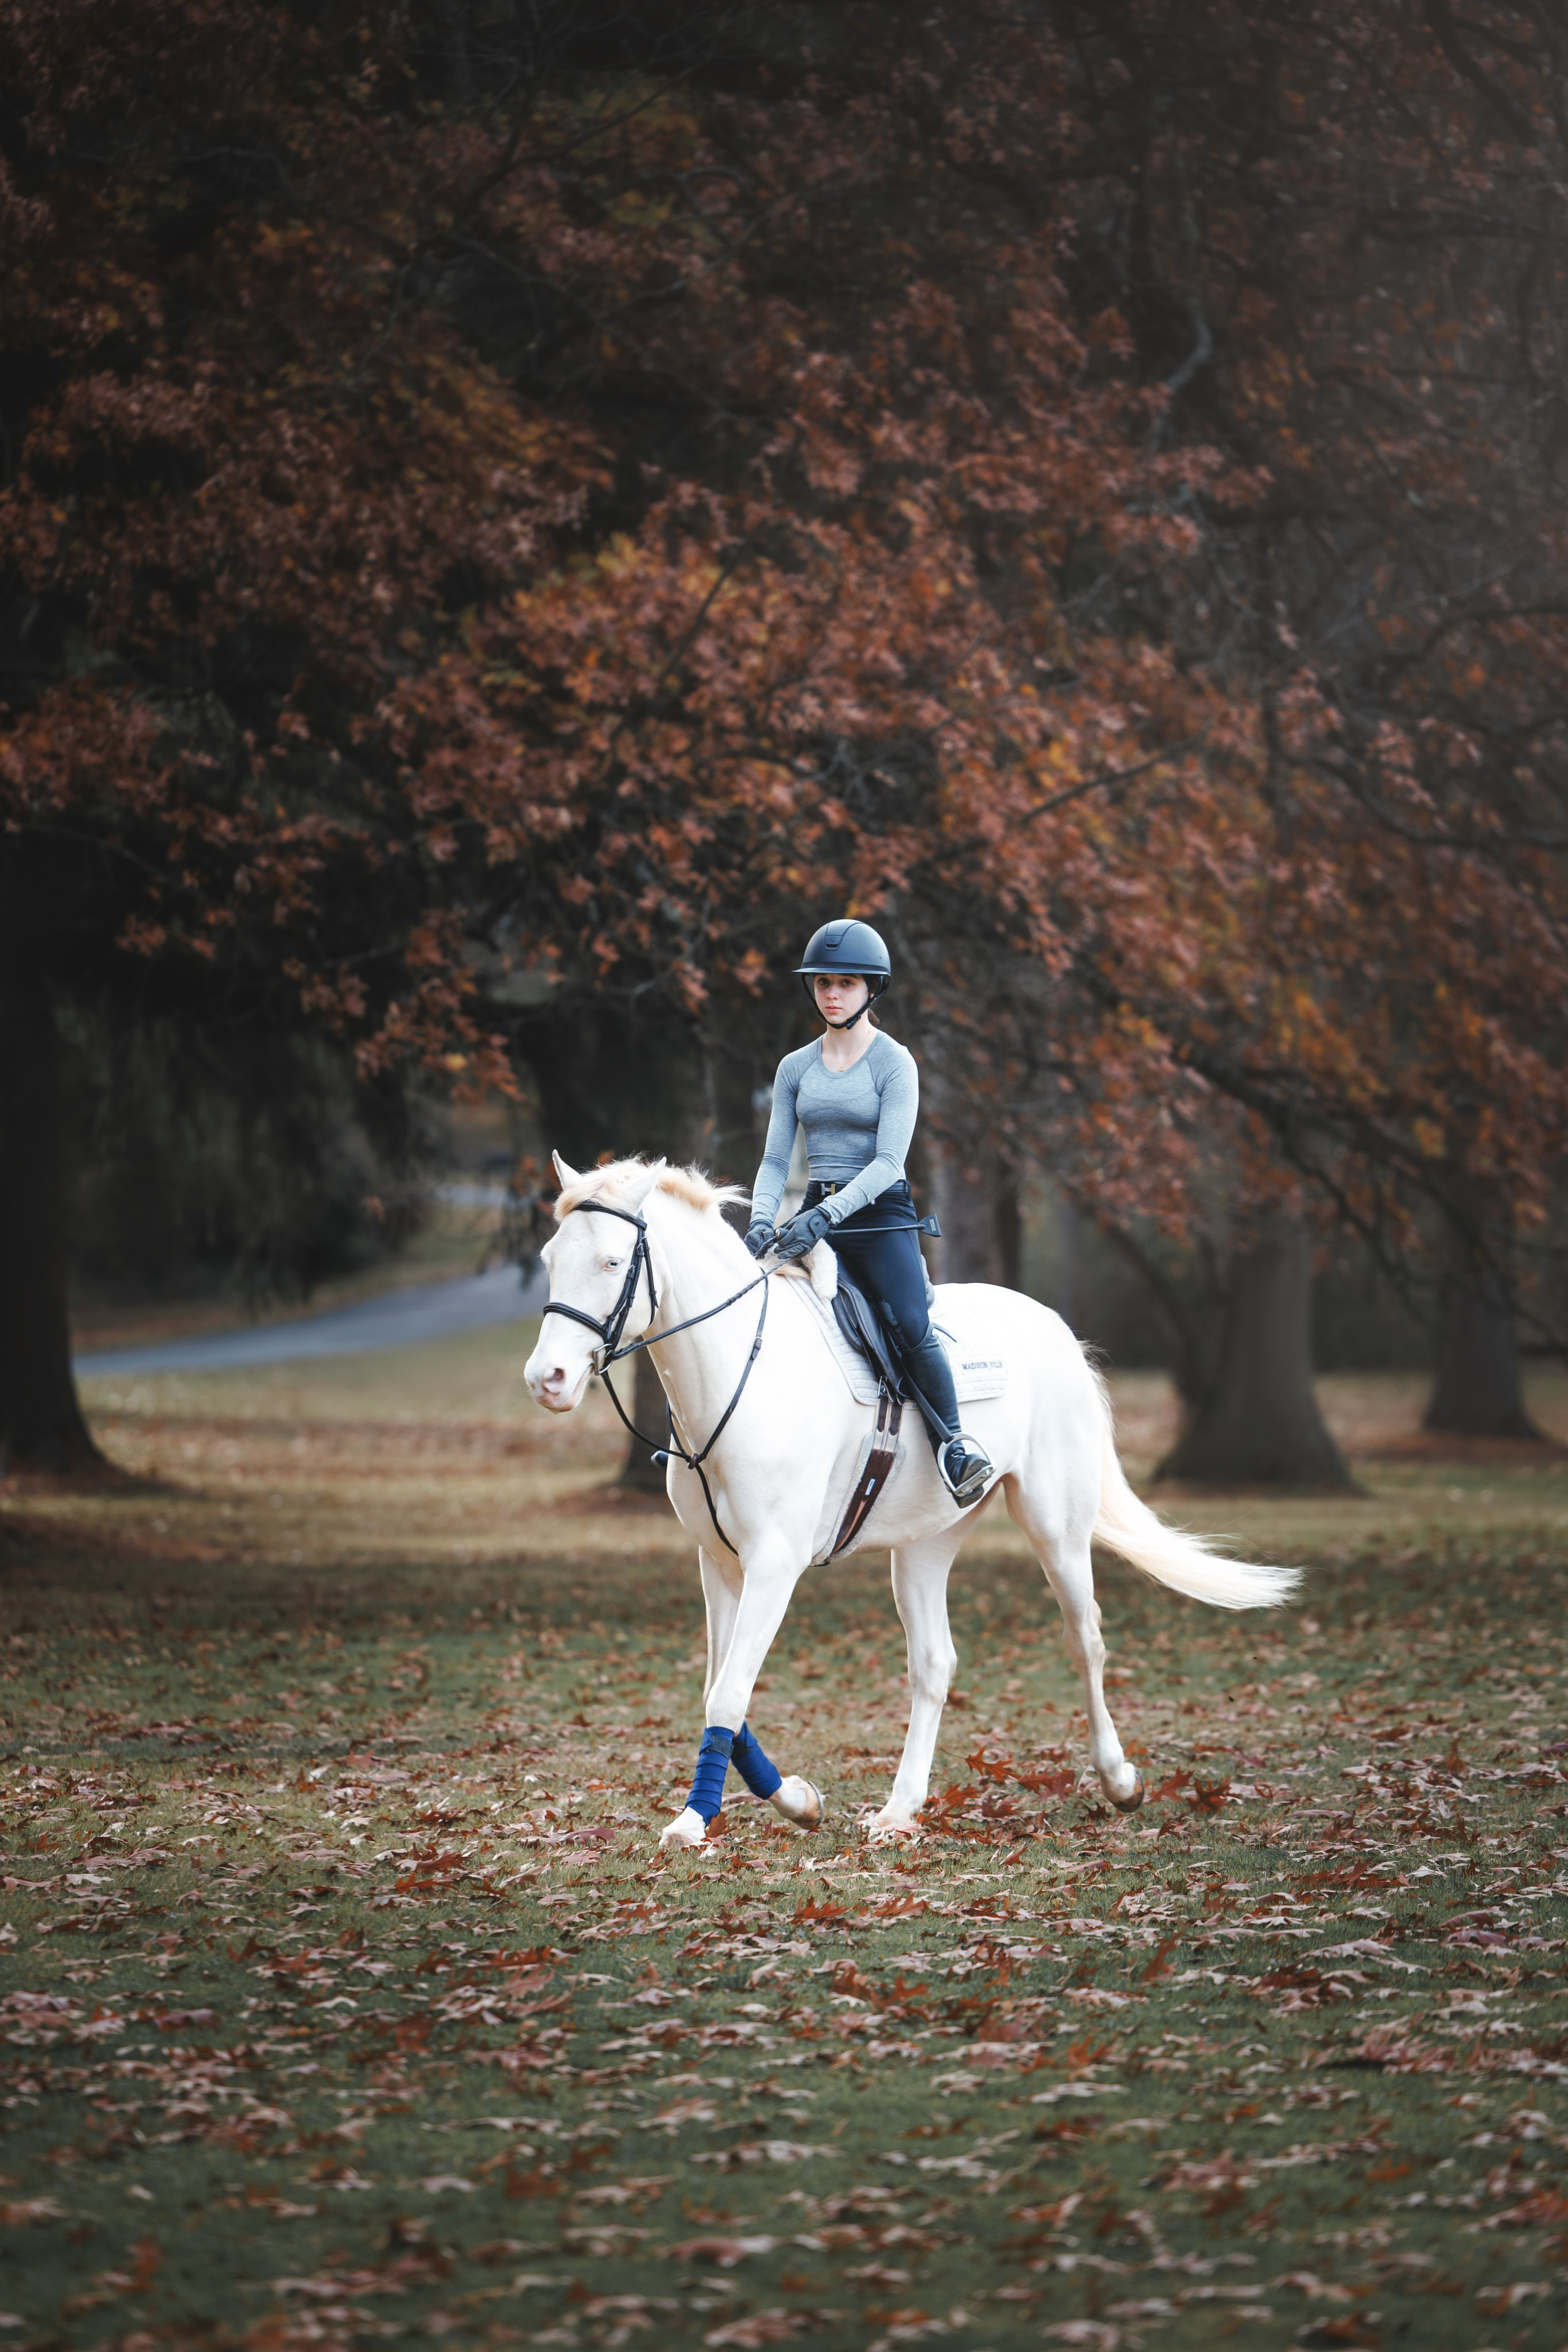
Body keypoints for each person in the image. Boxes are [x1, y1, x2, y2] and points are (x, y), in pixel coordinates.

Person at [745, 917, 995, 1507]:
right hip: (813, 1210)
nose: (832, 993)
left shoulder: (895, 1063)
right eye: (823, 982)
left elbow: (888, 1162)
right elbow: (776, 1160)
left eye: (847, 983)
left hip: (879, 1217)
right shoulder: (794, 1068)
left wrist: (827, 1219)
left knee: (909, 1324)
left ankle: (955, 1445)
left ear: (871, 990)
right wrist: (761, 1218)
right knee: (752, 1304)